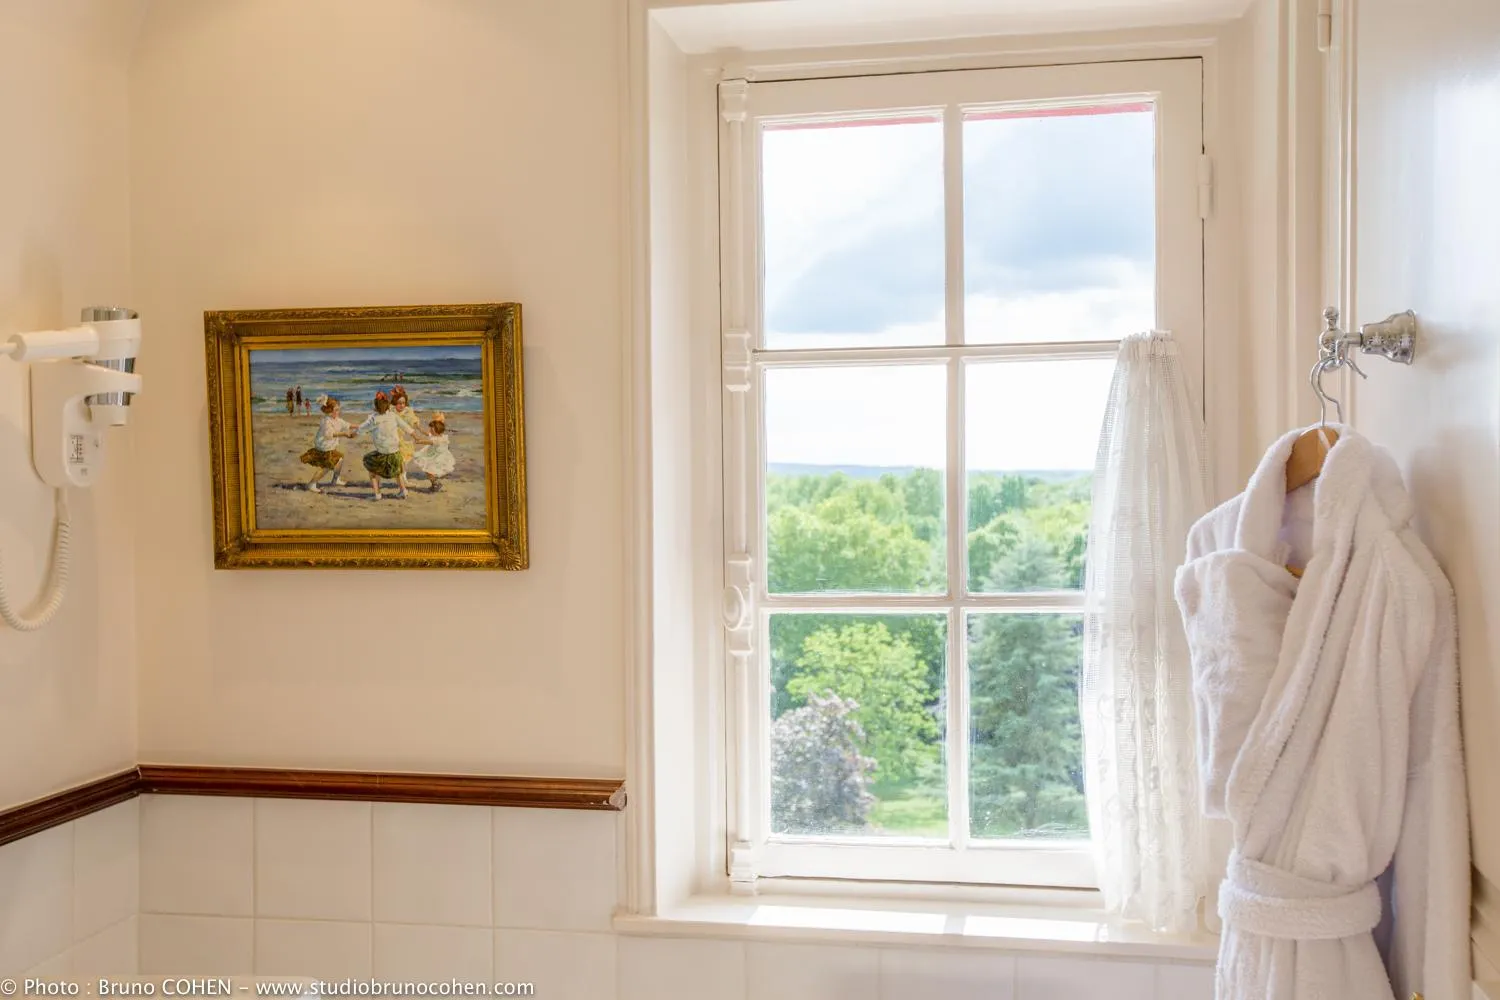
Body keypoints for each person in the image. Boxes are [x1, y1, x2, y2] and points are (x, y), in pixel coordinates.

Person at [353, 391, 410, 500]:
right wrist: (415, 436)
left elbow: (361, 429)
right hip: (395, 453)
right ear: (388, 406)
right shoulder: (393, 416)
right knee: (397, 472)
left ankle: (377, 494)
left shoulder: (373, 418)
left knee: (373, 471)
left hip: (382, 454)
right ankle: (403, 491)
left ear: (376, 407)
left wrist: (352, 434)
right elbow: (406, 426)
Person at [300, 395, 354, 492]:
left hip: (330, 447)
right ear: (329, 410)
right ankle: (311, 484)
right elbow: (328, 435)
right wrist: (344, 434)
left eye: (339, 409)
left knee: (340, 460)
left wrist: (361, 427)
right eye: (336, 410)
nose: (338, 412)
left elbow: (348, 425)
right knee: (326, 467)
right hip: (324, 447)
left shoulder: (337, 420)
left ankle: (335, 479)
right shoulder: (326, 421)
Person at [409, 413, 455, 491]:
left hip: (437, 457)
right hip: (434, 455)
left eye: (432, 429)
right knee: (429, 471)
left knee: (429, 471)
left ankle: (436, 484)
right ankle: (435, 484)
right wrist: (418, 428)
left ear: (437, 429)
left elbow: (427, 442)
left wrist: (418, 441)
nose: (430, 431)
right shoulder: (439, 436)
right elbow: (426, 433)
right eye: (430, 429)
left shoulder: (437, 439)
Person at [390, 386, 420, 470]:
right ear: (395, 402)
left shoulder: (408, 411)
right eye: (399, 403)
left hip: (402, 437)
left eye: (403, 403)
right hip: (392, 437)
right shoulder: (391, 410)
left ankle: (403, 477)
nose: (402, 405)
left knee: (404, 457)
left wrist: (417, 425)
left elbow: (413, 420)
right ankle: (401, 477)